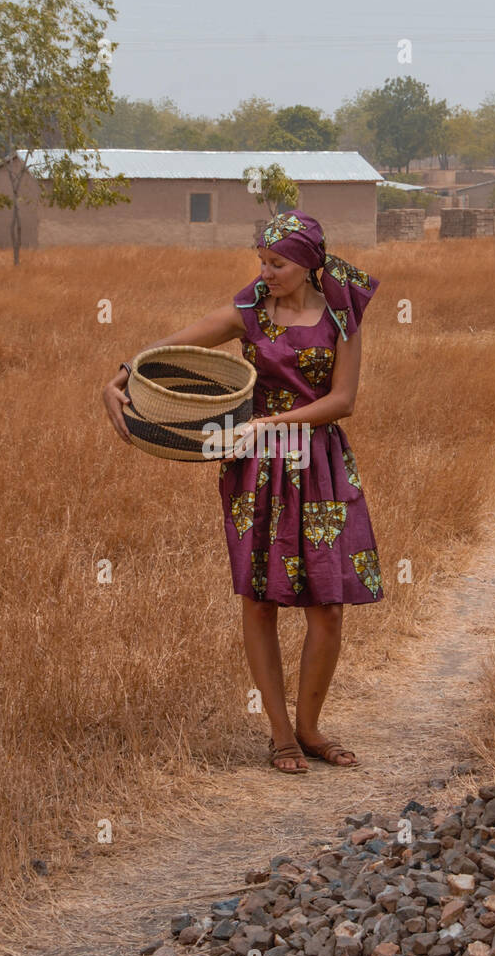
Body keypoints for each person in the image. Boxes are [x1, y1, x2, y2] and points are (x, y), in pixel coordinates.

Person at [103, 210, 384, 775]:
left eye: (276, 263)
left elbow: (343, 400)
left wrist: (267, 425)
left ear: (308, 264)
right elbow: (173, 349)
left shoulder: (341, 315)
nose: (266, 272)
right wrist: (121, 375)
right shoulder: (250, 310)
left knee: (327, 605)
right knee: (260, 599)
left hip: (319, 462)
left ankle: (311, 729)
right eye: (261, 261)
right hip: (255, 468)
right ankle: (280, 735)